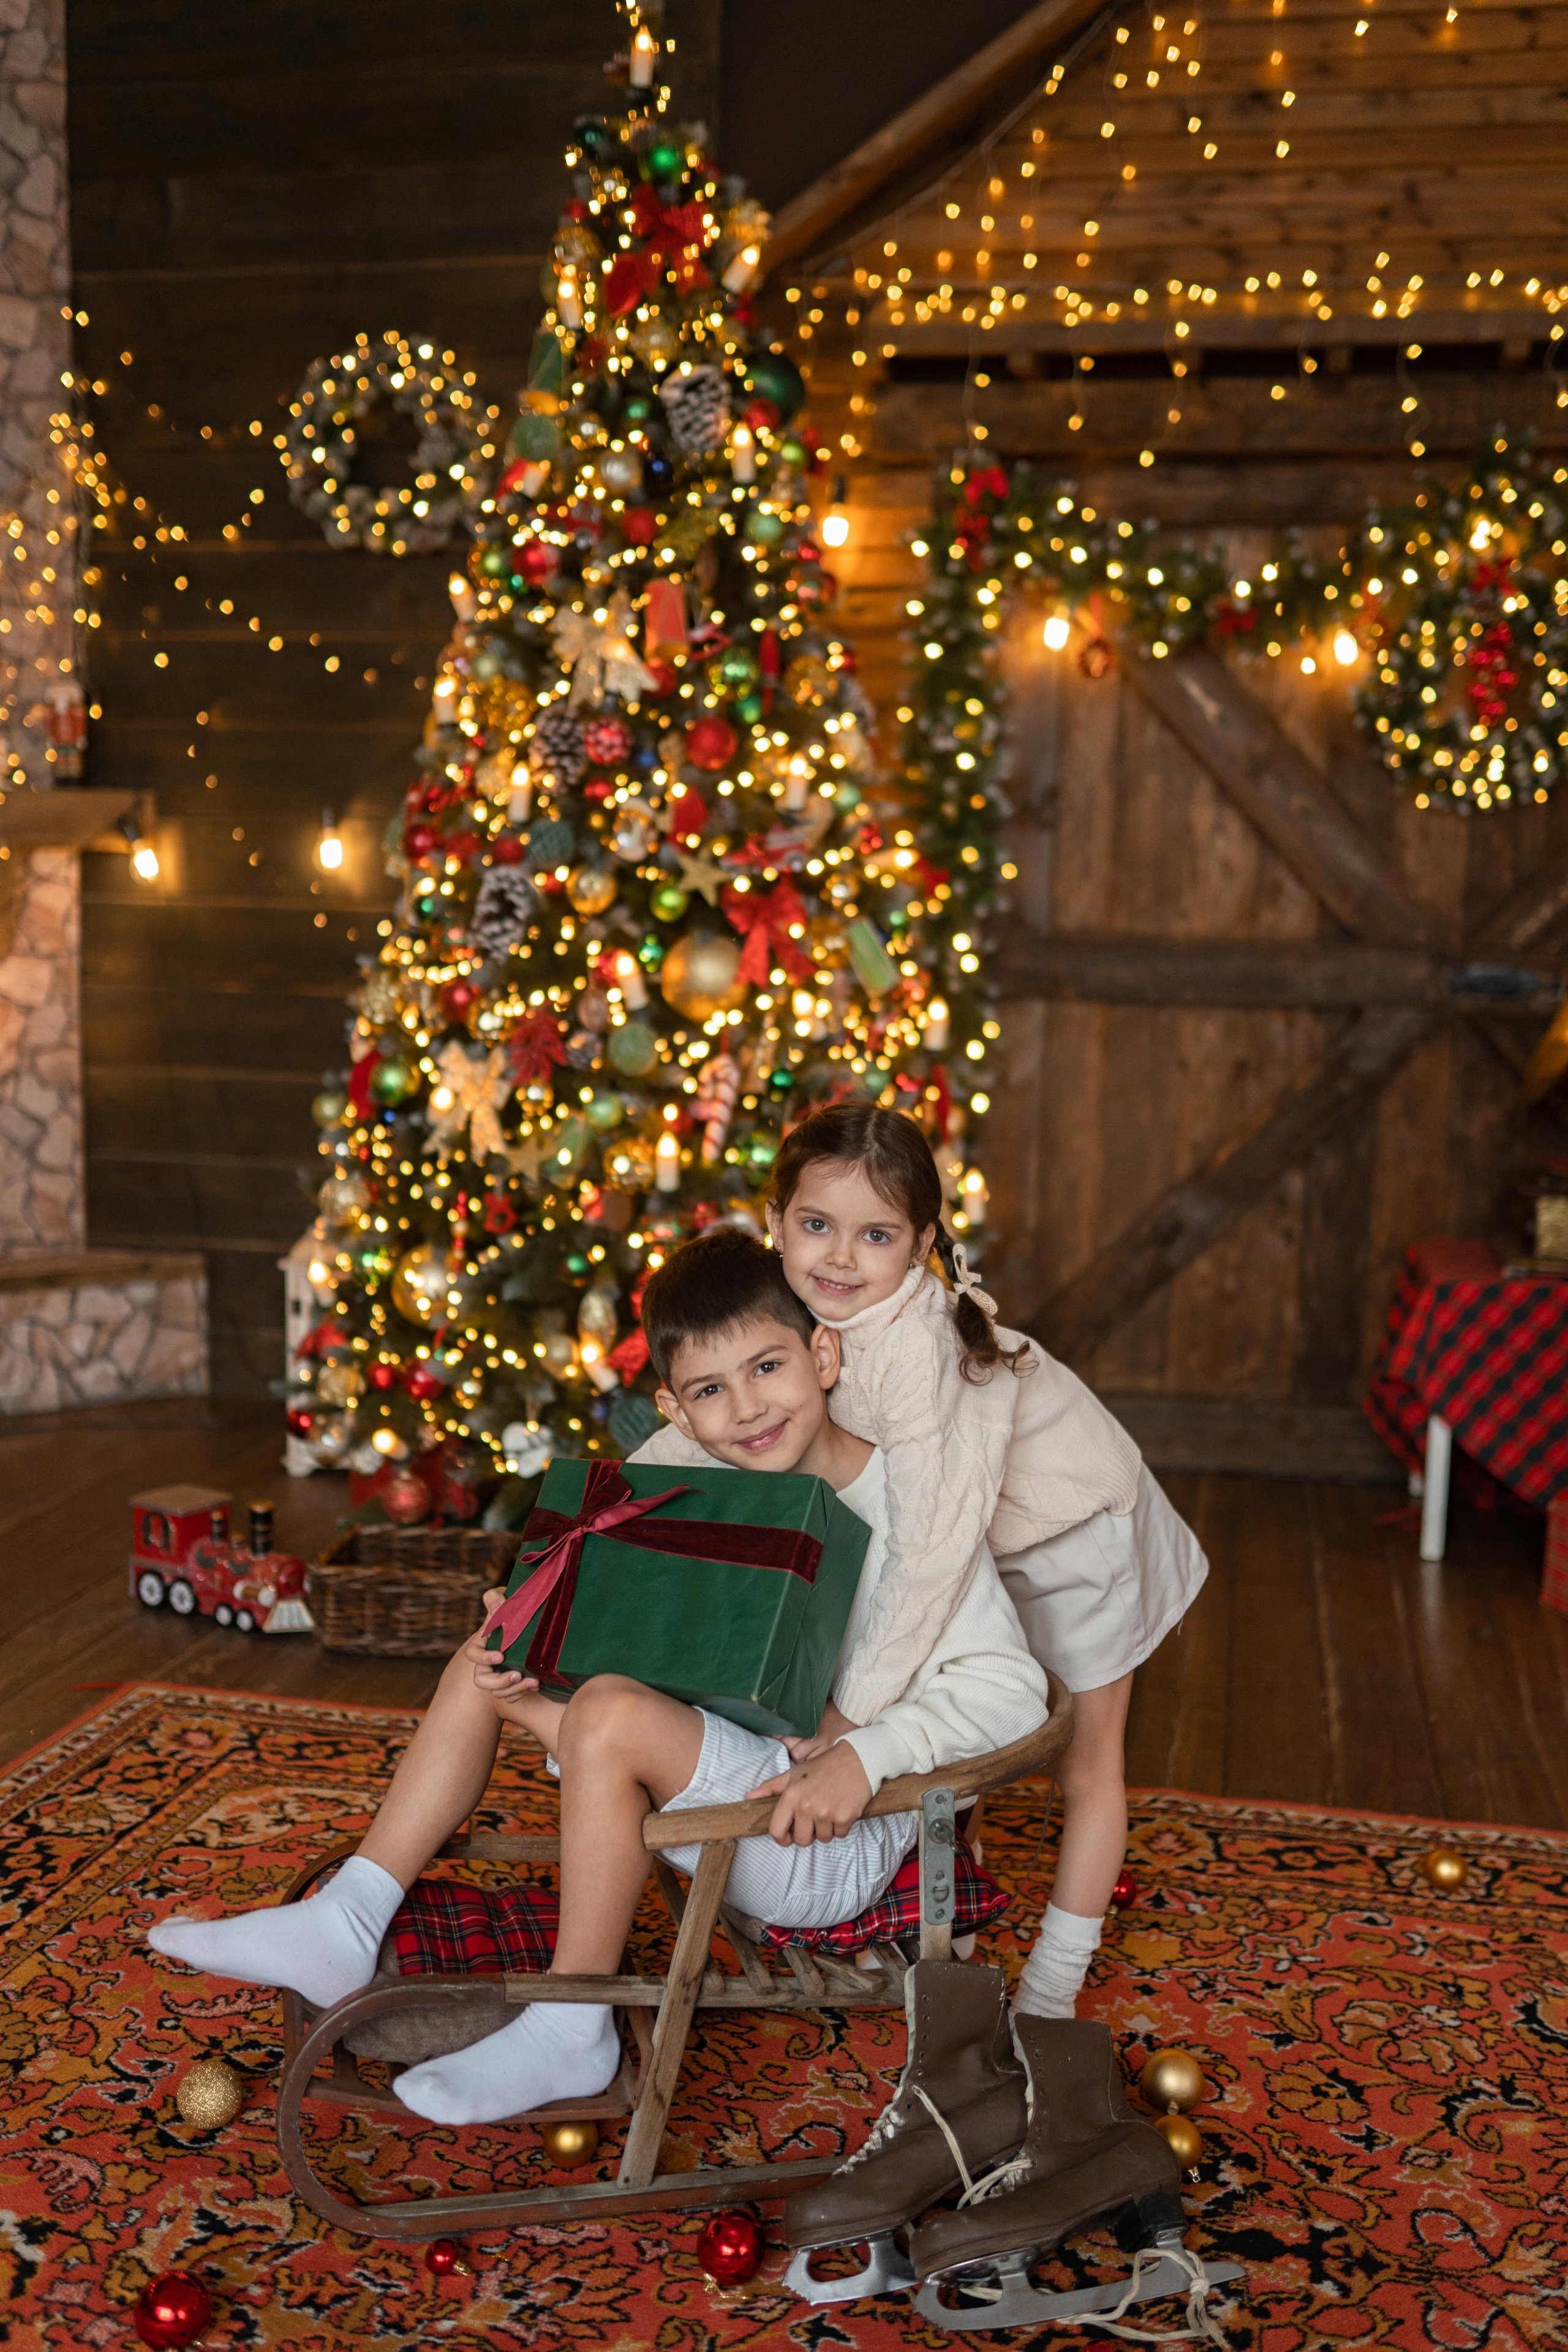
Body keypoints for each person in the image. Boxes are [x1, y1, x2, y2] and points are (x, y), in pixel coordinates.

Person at [147, 1229, 1049, 2127]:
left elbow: (1014, 1690)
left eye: (766, 1367)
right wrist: (543, 1634)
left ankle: (572, 2025)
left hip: (820, 1835)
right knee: (489, 1652)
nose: (745, 1407)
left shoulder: (911, 1506)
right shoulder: (682, 1477)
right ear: (677, 1407)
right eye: (709, 1390)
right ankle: (350, 1915)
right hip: (698, 1783)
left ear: (822, 1354)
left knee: (613, 1713)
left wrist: (865, 1753)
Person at [636, 1102, 1207, 2021]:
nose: (837, 1258)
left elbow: (934, 1548)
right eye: (816, 1226)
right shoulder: (796, 1305)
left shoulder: (916, 1350)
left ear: (923, 1243)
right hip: (973, 1532)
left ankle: (1055, 1988)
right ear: (774, 1220)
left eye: (876, 1236)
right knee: (947, 1691)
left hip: (1079, 1537)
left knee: (1082, 1762)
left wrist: (853, 1723)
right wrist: (609, 1524)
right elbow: (705, 1426)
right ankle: (955, 1926)